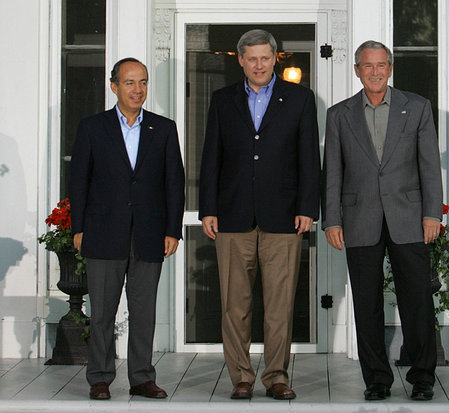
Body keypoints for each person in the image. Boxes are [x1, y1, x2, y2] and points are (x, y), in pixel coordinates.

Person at [199, 29, 320, 400]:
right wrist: (208, 209)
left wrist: (307, 208)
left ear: (275, 58)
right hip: (232, 217)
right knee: (234, 305)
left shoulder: (300, 99)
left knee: (280, 305)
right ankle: (241, 377)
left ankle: (277, 376)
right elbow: (211, 159)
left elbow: (308, 159)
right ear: (241, 61)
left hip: (283, 217)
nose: (259, 65)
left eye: (265, 57)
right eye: (252, 58)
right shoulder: (222, 100)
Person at [322, 40, 443, 401]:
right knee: (367, 303)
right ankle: (376, 379)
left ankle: (423, 378)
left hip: (409, 218)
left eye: (381, 65)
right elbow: (333, 173)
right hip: (360, 219)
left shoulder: (417, 108)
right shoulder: (339, 114)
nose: (374, 72)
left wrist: (431, 214)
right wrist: (331, 219)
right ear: (357, 70)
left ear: (389, 69)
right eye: (367, 66)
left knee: (417, 301)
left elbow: (430, 168)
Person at [69, 57, 185, 400]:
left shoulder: (164, 128)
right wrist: (79, 227)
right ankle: (100, 377)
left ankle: (141, 377)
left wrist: (172, 230)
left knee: (144, 311)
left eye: (144, 82)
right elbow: (79, 182)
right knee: (102, 310)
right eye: (131, 83)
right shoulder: (92, 127)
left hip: (150, 235)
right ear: (114, 86)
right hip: (103, 232)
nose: (138, 90)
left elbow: (174, 184)